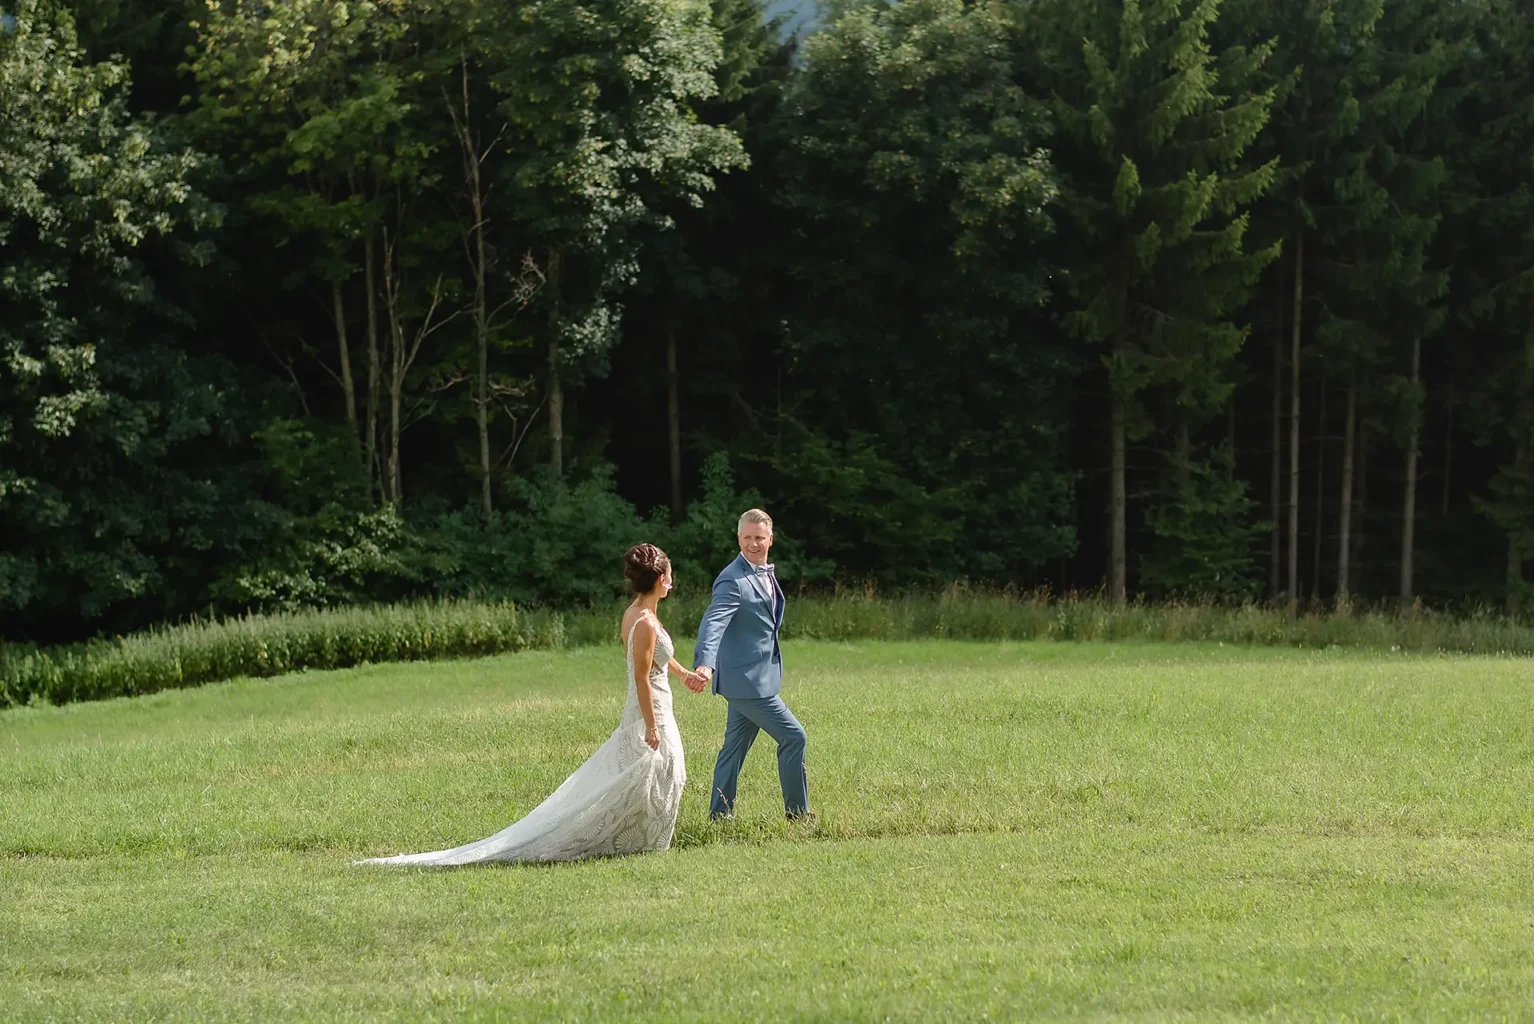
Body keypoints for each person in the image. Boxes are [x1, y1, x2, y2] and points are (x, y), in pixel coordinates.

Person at [357, 544, 706, 866]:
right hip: (651, 707)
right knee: (667, 769)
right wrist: (651, 724)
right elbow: (642, 675)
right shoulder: (643, 622)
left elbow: (658, 659)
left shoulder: (635, 613)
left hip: (653, 702)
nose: (672, 582)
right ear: (661, 580)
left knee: (648, 771)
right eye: (670, 576)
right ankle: (635, 839)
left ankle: (638, 834)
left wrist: (683, 673)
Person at [693, 509, 814, 821]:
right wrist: (705, 663)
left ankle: (719, 817)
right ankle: (798, 815)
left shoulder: (764, 572)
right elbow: (713, 623)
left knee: (733, 749)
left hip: (754, 676)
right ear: (738, 538)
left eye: (759, 537)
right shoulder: (732, 580)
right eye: (747, 537)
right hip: (746, 682)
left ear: (770, 539)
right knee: (794, 736)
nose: (753, 544)